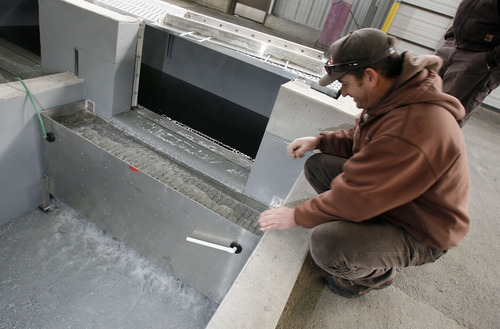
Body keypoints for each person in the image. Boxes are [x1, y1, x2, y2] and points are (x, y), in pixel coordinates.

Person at [258, 28, 471, 298]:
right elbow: (364, 140)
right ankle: (364, 232)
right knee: (319, 166)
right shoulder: (395, 96)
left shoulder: (413, 126)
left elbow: (357, 196)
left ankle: (377, 275)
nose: (344, 93)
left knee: (327, 244)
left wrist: (296, 216)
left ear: (371, 76)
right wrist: (319, 140)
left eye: (345, 84)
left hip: (421, 228)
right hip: (397, 200)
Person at [434, 0, 500, 126]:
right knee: (418, 95)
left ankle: (428, 145)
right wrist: (452, 35)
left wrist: (490, 59)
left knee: (446, 116)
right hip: (454, 44)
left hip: (480, 57)